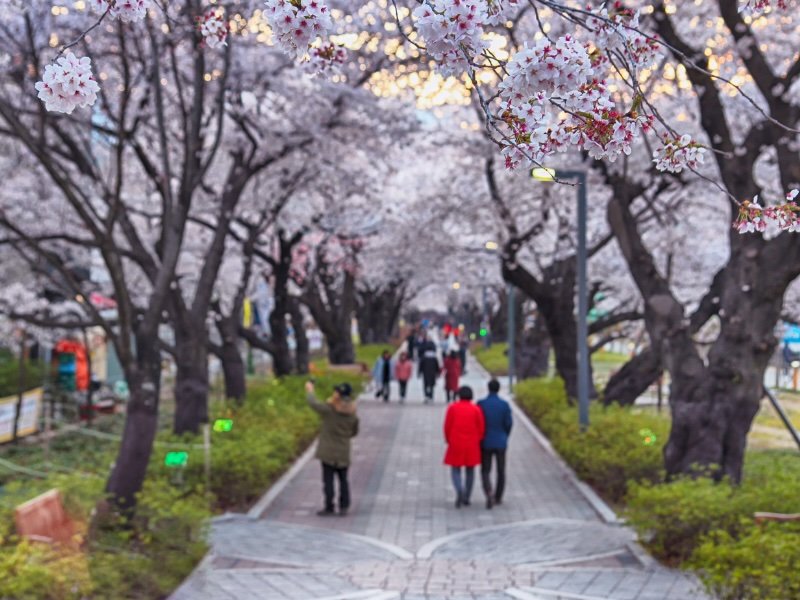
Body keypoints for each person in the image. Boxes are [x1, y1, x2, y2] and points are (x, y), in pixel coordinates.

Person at [305, 381, 359, 516]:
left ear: (338, 395)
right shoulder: (353, 413)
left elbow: (313, 403)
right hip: (343, 451)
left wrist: (310, 390)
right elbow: (354, 432)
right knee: (343, 479)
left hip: (327, 451)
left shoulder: (329, 410)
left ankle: (329, 506)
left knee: (328, 480)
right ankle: (344, 506)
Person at [443, 386, 485, 508]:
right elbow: (481, 427)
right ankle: (467, 496)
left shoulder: (452, 408)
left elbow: (447, 426)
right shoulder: (476, 409)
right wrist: (478, 439)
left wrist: (448, 439)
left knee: (455, 469)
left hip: (456, 442)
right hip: (472, 443)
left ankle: (459, 489)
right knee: (470, 470)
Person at [477, 379, 513, 509]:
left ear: (488, 388)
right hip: (501, 441)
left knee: (485, 469)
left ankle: (488, 492)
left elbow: (478, 422)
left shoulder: (481, 404)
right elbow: (509, 423)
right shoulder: (504, 405)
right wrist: (505, 435)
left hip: (485, 441)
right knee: (501, 470)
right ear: (499, 389)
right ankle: (498, 497)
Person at [418, 332, 440, 403]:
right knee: (432, 385)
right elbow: (437, 366)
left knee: (425, 384)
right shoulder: (434, 358)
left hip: (425, 373)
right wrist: (438, 372)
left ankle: (426, 396)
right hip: (432, 373)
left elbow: (421, 365)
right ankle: (431, 396)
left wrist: (419, 372)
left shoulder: (424, 357)